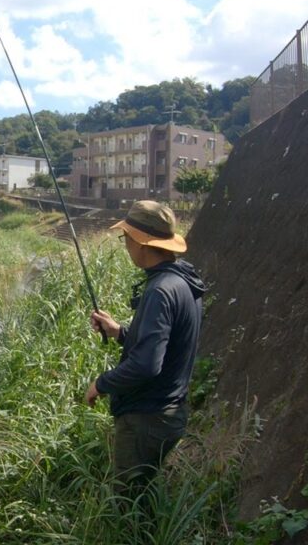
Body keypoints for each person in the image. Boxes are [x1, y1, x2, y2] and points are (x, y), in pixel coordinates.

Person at [84, 200, 207, 493]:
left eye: (126, 237)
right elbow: (165, 344)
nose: (126, 245)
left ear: (141, 242)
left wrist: (101, 384)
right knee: (144, 492)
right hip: (167, 412)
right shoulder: (182, 279)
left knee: (128, 501)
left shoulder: (160, 291)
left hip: (147, 418)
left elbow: (146, 365)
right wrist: (119, 332)